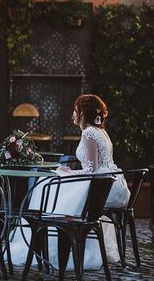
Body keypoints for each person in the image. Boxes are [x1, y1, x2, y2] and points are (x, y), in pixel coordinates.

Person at [9, 94, 130, 270]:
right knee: (54, 181)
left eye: (75, 110)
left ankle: (46, 235)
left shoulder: (89, 133)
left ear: (82, 112)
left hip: (101, 186)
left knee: (46, 184)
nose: (73, 114)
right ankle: (52, 236)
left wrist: (70, 171)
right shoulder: (101, 131)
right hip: (111, 183)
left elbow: (91, 170)